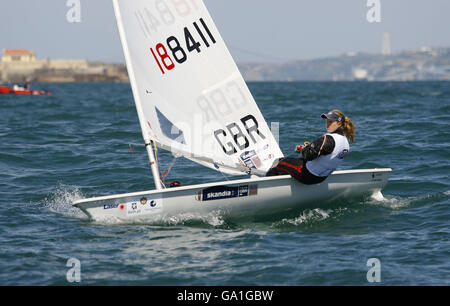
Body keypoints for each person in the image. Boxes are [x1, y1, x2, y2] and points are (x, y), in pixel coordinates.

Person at [266, 110, 355, 185]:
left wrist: (304, 149)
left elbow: (309, 155)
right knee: (293, 162)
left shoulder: (329, 139)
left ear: (339, 124)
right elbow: (326, 154)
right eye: (327, 121)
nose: (327, 124)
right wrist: (307, 148)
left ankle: (266, 184)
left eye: (331, 122)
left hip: (308, 175)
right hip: (321, 178)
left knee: (281, 162)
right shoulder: (345, 142)